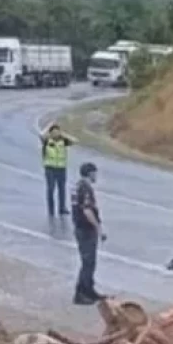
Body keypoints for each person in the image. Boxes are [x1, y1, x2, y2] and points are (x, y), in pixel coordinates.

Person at [71, 161, 105, 304]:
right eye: (95, 172)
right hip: (86, 229)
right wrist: (98, 229)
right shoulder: (86, 188)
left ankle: (89, 290)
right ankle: (81, 293)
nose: (96, 175)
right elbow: (87, 210)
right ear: (90, 173)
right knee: (88, 262)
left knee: (89, 262)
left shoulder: (78, 185)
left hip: (80, 227)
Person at [40, 123, 74, 218]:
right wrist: (48, 127)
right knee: (51, 189)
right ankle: (51, 210)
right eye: (54, 132)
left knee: (62, 189)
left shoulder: (63, 141)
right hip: (50, 168)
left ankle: (62, 208)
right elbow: (41, 135)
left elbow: (75, 141)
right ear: (50, 133)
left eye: (57, 132)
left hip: (61, 168)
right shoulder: (47, 141)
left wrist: (63, 134)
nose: (56, 134)